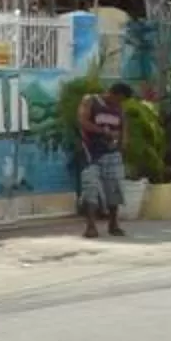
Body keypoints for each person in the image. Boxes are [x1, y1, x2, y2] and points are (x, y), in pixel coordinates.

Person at [75, 81, 133, 237]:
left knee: (114, 187)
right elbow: (82, 122)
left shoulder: (119, 108)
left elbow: (124, 127)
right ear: (113, 93)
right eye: (119, 99)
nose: (120, 103)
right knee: (91, 187)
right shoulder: (90, 101)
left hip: (112, 153)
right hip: (91, 152)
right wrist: (103, 132)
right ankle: (91, 226)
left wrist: (122, 144)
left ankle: (113, 224)